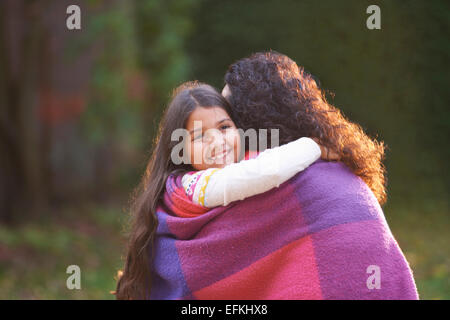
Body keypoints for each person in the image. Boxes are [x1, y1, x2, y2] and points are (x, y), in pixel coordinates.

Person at [115, 81, 338, 299]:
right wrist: (314, 146)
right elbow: (264, 173)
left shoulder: (248, 161)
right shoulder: (190, 186)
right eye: (199, 136)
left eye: (224, 127)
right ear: (180, 149)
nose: (217, 142)